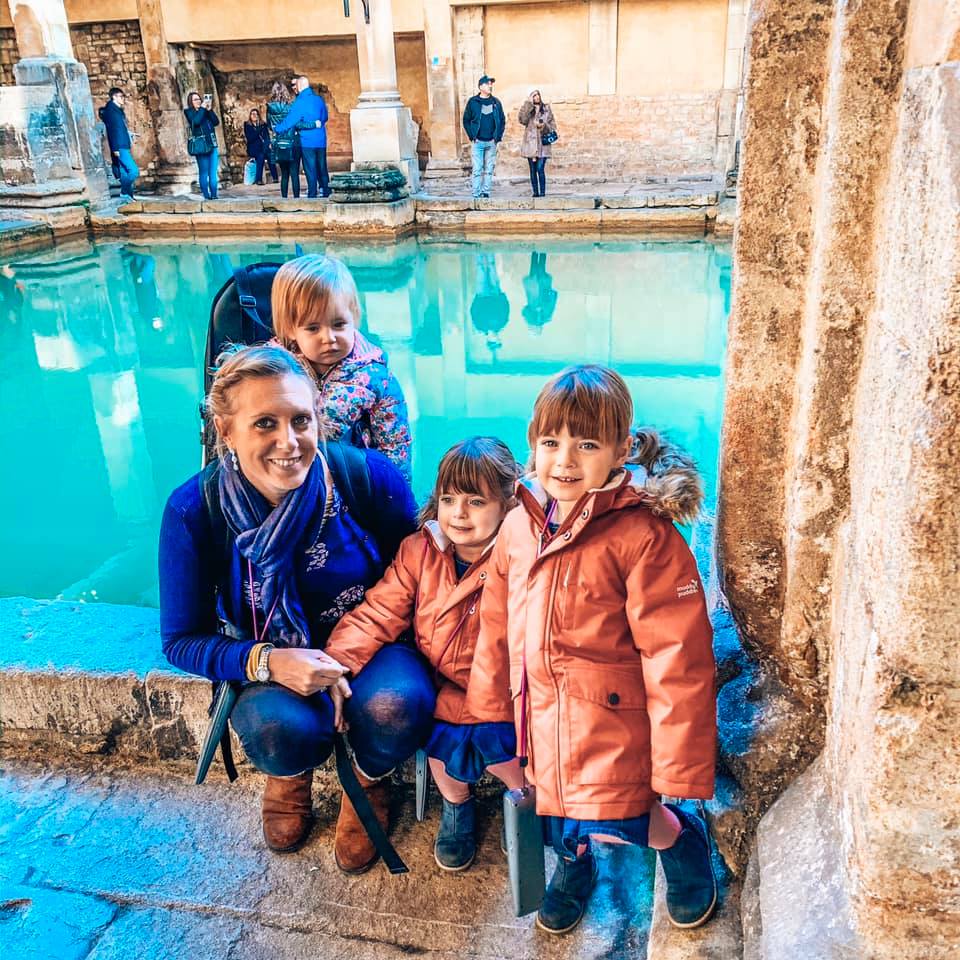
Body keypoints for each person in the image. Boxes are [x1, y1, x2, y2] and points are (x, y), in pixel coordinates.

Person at [158, 344, 435, 871]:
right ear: (226, 430)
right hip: (267, 648)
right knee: (277, 730)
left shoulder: (368, 479)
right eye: (265, 423)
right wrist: (269, 662)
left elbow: (418, 577)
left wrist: (348, 653)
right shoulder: (194, 510)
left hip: (371, 641)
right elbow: (181, 639)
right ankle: (289, 775)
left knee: (396, 704)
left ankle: (370, 779)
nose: (289, 443)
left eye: (300, 420)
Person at [466, 365, 718, 934]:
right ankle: (573, 867)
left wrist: (677, 765)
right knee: (556, 819)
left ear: (621, 450)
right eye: (551, 443)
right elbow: (496, 626)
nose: (565, 461)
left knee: (628, 818)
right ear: (532, 444)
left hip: (614, 723)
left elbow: (677, 658)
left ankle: (680, 838)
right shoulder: (517, 525)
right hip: (537, 717)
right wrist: (486, 714)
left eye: (587, 445)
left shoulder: (643, 538)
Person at [325, 437, 524, 872]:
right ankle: (458, 810)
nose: (458, 513)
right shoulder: (420, 550)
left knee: (512, 761)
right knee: (442, 761)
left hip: (501, 691)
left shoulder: (524, 557)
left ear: (510, 502)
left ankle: (524, 811)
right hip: (444, 685)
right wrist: (334, 666)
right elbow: (378, 612)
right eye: (449, 498)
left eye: (476, 500)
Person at [271, 254, 413, 482]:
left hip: (353, 482)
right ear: (290, 329)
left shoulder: (375, 377)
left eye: (339, 324)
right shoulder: (272, 371)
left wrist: (397, 493)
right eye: (313, 328)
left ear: (354, 317)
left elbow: (395, 445)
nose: (329, 338)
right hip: (287, 474)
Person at [273, 76, 329, 198]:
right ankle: (326, 192)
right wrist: (316, 124)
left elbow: (290, 121)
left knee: (310, 169)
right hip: (321, 140)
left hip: (307, 141)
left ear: (300, 86)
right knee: (323, 167)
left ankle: (313, 195)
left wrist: (277, 128)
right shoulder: (319, 99)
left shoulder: (300, 102)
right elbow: (325, 117)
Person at [462, 75, 505, 200]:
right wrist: (472, 135)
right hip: (478, 141)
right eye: (487, 84)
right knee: (477, 169)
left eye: (491, 84)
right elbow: (466, 120)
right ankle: (476, 194)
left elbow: (502, 120)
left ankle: (486, 192)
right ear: (481, 87)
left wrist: (498, 137)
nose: (490, 86)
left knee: (489, 169)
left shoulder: (496, 102)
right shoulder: (473, 102)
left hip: (491, 142)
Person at [98, 87, 139, 200]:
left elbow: (120, 129)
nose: (123, 99)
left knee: (125, 172)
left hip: (123, 144)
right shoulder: (111, 111)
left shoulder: (117, 111)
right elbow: (112, 131)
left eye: (123, 97)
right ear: (114, 97)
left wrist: (129, 134)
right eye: (121, 97)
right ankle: (124, 191)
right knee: (134, 171)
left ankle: (128, 197)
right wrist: (115, 148)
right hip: (119, 146)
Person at [267, 81, 302, 199]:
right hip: (292, 141)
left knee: (284, 174)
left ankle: (284, 198)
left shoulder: (269, 108)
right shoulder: (291, 107)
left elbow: (269, 125)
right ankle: (296, 198)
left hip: (278, 143)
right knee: (294, 173)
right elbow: (296, 122)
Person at [518, 90, 556, 198]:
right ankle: (535, 192)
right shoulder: (528, 109)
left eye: (537, 95)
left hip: (543, 144)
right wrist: (528, 105)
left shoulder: (546, 109)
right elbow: (522, 120)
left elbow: (553, 126)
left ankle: (542, 193)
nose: (536, 97)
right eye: (533, 96)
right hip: (530, 143)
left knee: (540, 168)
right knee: (533, 170)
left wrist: (543, 126)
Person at [184, 91, 220, 200]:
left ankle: (214, 195)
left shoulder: (205, 111)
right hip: (201, 146)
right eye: (195, 99)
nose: (198, 101)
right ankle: (206, 195)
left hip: (212, 144)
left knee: (213, 171)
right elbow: (196, 121)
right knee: (204, 172)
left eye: (199, 99)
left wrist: (209, 110)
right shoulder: (189, 112)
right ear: (191, 102)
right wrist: (203, 109)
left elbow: (216, 122)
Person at [521, 251, 558, 333]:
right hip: (541, 289)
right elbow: (552, 302)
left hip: (534, 290)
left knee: (535, 268)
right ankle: (541, 251)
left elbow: (524, 310)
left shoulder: (530, 318)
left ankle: (537, 251)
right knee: (540, 268)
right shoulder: (547, 316)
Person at [243, 108, 277, 186]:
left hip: (263, 147)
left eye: (256, 114)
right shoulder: (247, 125)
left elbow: (267, 136)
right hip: (253, 148)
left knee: (269, 154)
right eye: (252, 114)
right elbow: (250, 138)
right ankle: (258, 180)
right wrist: (258, 130)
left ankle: (275, 177)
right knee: (260, 156)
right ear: (250, 116)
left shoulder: (263, 125)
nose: (254, 116)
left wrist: (268, 144)